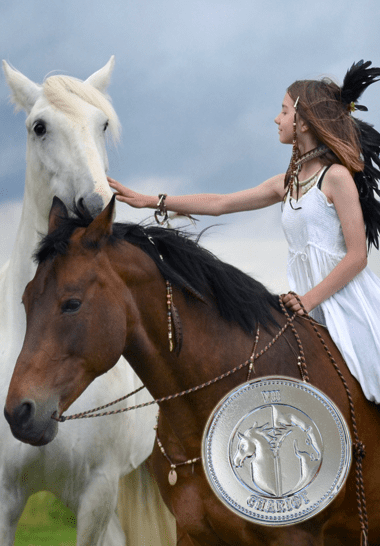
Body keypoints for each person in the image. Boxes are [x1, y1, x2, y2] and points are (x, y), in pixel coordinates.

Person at [108, 61, 380, 403]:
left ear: (305, 121)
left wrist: (309, 300)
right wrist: (153, 200)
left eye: (283, 111)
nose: (276, 119)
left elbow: (357, 256)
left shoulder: (336, 178)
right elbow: (221, 202)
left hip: (345, 304)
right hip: (305, 308)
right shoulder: (288, 182)